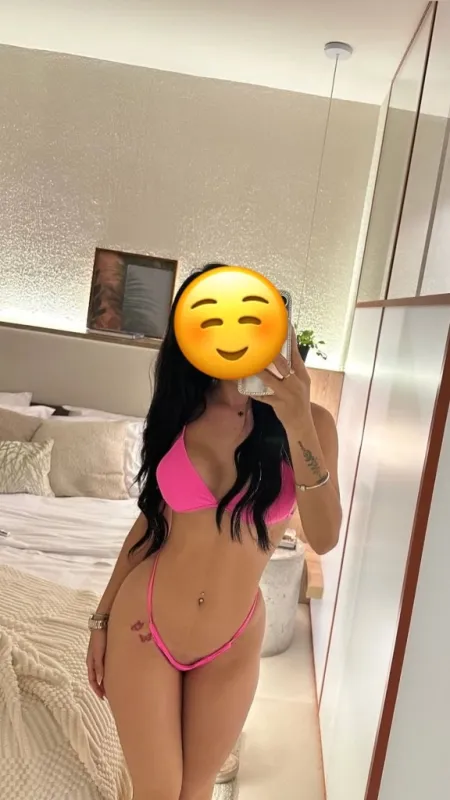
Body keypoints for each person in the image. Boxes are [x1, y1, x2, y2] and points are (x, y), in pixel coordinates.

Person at [86, 263, 342, 800]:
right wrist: (101, 617)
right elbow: (151, 520)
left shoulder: (313, 424)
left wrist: (297, 420)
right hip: (146, 623)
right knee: (159, 791)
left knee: (197, 790)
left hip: (231, 642)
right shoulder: (183, 408)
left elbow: (324, 535)